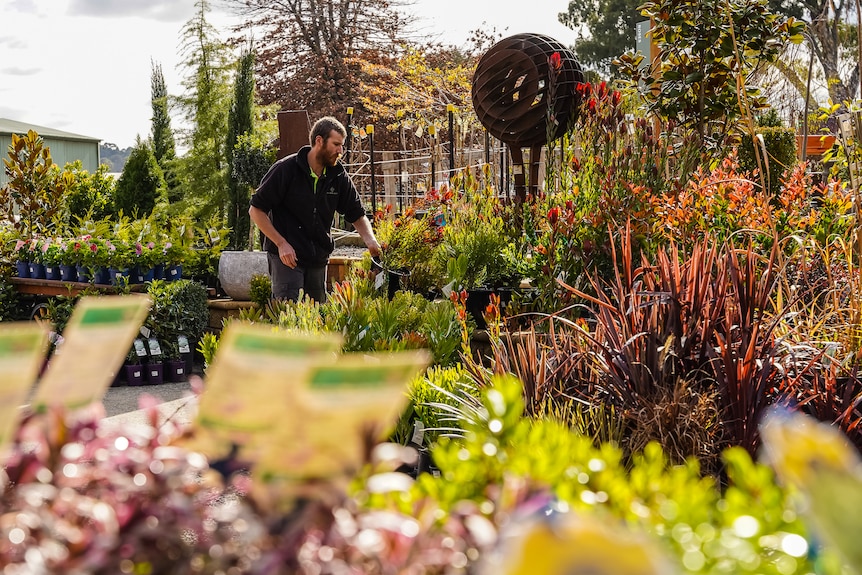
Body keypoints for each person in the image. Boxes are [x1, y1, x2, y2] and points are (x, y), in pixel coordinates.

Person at [249, 116, 381, 302]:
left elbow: (357, 214)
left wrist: (371, 241)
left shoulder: (338, 176)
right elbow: (256, 210)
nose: (340, 151)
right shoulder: (286, 169)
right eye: (336, 144)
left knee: (317, 321)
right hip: (287, 259)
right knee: (290, 321)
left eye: (342, 145)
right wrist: (281, 243)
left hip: (318, 260)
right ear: (319, 141)